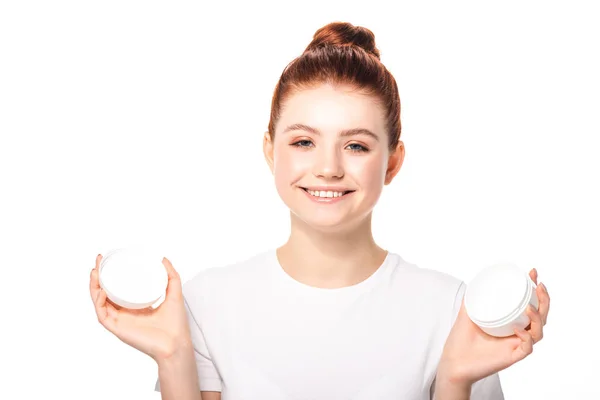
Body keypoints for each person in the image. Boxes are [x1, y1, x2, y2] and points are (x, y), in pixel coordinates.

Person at [89, 21, 550, 400]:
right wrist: (173, 354)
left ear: (392, 162)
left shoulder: (452, 310)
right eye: (304, 142)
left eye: (355, 145)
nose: (328, 168)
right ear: (271, 151)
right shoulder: (206, 303)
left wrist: (455, 381)